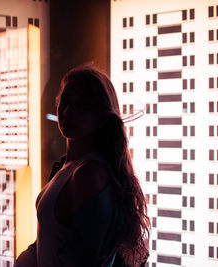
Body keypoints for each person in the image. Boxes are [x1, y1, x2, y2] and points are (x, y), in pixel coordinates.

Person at [15, 65, 150, 267]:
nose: (69, 111)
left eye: (83, 105)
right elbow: (51, 238)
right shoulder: (67, 167)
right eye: (66, 101)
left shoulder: (89, 174)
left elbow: (90, 260)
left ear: (102, 116)